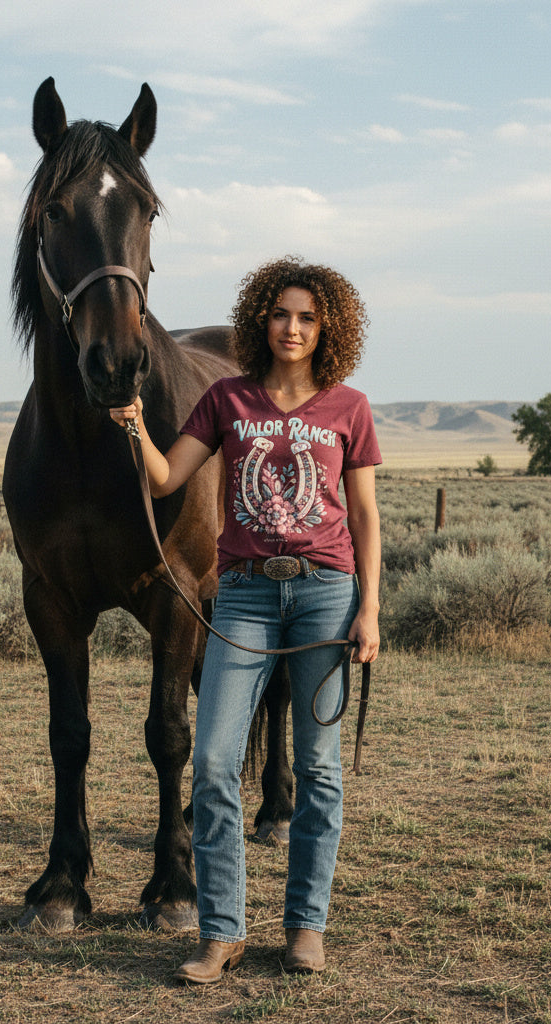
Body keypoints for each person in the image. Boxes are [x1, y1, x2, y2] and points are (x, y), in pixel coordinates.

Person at [109, 256, 381, 984]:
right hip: (246, 597)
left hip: (326, 593)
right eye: (281, 314)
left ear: (328, 330)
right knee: (216, 762)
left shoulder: (347, 407)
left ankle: (305, 927)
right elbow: (167, 477)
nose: (292, 328)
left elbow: (363, 517)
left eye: (308, 318)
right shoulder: (228, 398)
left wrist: (371, 610)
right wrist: (135, 428)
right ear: (262, 319)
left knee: (318, 771)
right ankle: (222, 931)